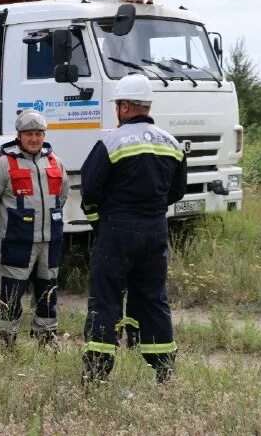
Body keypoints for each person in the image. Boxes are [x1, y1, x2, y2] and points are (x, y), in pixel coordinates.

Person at [79, 74, 186, 384]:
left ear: (124, 106)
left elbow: (90, 189)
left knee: (106, 299)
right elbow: (177, 192)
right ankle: (164, 370)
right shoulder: (171, 143)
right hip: (155, 230)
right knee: (153, 299)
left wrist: (101, 222)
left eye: (117, 105)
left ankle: (97, 373)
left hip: (117, 230)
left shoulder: (110, 141)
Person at [0, 111, 69, 347]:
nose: (34, 139)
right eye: (29, 134)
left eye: (38, 134)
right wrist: (10, 224)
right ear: (19, 136)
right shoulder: (5, 163)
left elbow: (62, 195)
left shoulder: (55, 162)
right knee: (11, 294)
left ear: (44, 136)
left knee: (47, 292)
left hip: (49, 242)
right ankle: (6, 342)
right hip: (16, 242)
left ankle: (46, 337)